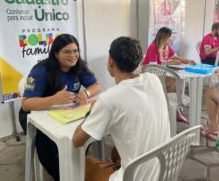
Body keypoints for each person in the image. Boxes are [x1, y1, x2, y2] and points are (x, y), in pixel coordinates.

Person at [73, 37, 170, 181]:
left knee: (86, 163)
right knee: (115, 153)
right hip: (164, 169)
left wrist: (92, 111)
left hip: (136, 177)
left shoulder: (108, 99)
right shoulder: (153, 79)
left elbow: (77, 141)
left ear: (111, 61)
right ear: (139, 60)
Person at [19, 34, 100, 181]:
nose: (73, 55)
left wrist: (86, 93)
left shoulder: (80, 65)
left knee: (83, 133)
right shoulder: (41, 70)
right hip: (36, 114)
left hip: (66, 112)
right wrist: (53, 100)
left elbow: (96, 85)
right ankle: (62, 175)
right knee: (47, 145)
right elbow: (25, 104)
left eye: (75, 51)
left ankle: (75, 167)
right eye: (67, 52)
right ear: (56, 53)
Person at [142, 26, 195, 122]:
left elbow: (176, 58)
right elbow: (153, 67)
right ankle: (173, 109)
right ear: (165, 37)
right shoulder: (153, 48)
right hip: (151, 75)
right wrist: (169, 63)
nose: (171, 39)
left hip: (162, 73)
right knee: (174, 81)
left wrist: (189, 61)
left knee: (177, 80)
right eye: (170, 37)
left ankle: (174, 109)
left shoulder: (167, 47)